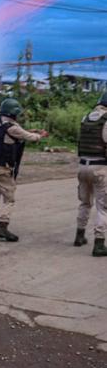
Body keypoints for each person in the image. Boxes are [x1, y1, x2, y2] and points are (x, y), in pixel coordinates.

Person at [0, 98, 48, 241]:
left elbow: (14, 133)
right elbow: (30, 137)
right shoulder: (12, 127)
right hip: (1, 167)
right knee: (9, 198)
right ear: (13, 113)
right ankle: (3, 228)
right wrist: (40, 135)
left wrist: (29, 131)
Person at [75, 92, 107, 256]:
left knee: (85, 203)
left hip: (82, 166)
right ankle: (99, 244)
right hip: (99, 168)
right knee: (103, 207)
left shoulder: (85, 118)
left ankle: (79, 236)